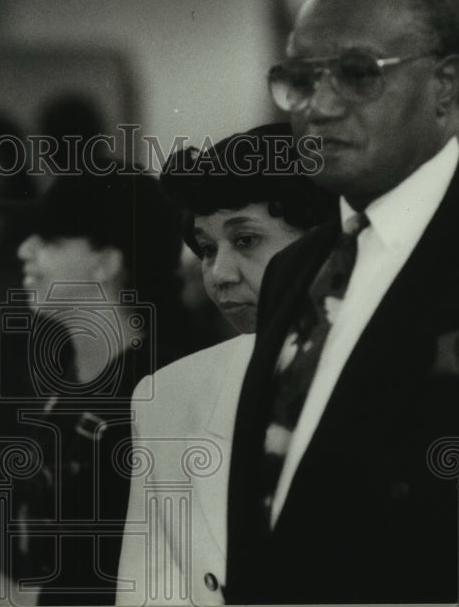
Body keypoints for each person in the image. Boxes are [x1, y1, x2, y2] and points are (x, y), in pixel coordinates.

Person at [223, 0, 459, 603]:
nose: (320, 106)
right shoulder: (294, 272)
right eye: (301, 79)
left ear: (444, 86)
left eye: (359, 74)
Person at [115, 122, 333, 605]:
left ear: (327, 242)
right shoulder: (168, 396)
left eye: (247, 240)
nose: (219, 273)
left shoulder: (393, 375)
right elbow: (150, 589)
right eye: (207, 248)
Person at [13, 168, 199, 605]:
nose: (24, 250)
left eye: (49, 240)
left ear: (107, 261)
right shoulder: (57, 374)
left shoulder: (161, 390)